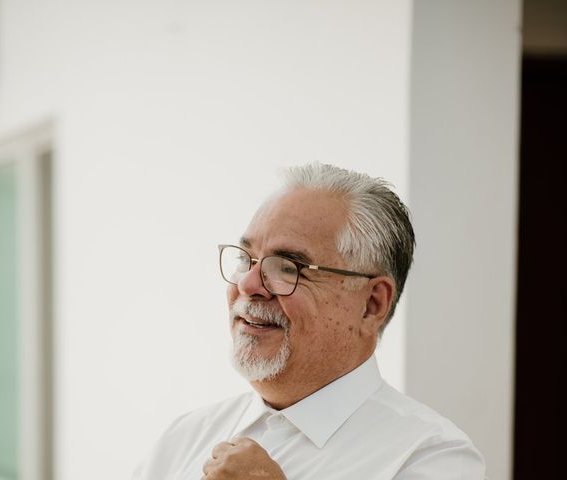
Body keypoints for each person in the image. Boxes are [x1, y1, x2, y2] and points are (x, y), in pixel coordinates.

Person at [133, 163, 485, 479]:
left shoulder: (432, 458)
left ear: (371, 304)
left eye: (287, 267)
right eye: (247, 260)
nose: (248, 285)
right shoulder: (182, 439)